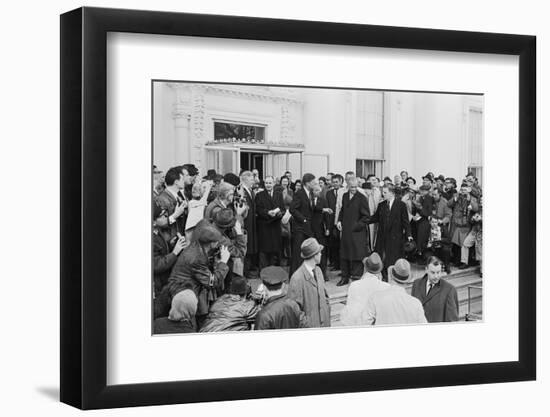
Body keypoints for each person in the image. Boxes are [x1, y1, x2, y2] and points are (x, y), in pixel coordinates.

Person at [159, 226, 231, 324]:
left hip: (182, 288)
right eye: (217, 242)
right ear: (212, 243)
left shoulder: (197, 246)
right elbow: (212, 282)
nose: (219, 244)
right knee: (188, 325)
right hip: (181, 294)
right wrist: (223, 262)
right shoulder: (196, 258)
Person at [368, 184, 413, 280]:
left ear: (392, 193)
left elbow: (406, 222)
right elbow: (374, 218)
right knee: (382, 256)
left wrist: (409, 235)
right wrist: (362, 220)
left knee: (393, 257)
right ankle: (384, 276)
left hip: (395, 237)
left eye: (385, 192)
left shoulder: (401, 205)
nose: (383, 195)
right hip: (382, 237)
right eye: (382, 192)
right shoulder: (381, 205)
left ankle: (392, 276)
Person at [364, 258, 427, 325]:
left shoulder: (375, 298)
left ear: (390, 275)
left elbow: (365, 323)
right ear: (408, 280)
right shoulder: (415, 304)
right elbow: (424, 329)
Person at [288, 238, 331, 328]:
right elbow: (294, 311)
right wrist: (307, 325)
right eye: (319, 252)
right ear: (314, 255)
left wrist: (327, 314)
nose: (321, 254)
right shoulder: (297, 278)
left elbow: (325, 297)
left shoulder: (318, 271)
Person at [340, 252, 390, 326]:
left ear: (365, 268)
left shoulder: (354, 285)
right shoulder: (386, 287)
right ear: (379, 271)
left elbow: (349, 312)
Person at [336, 177, 370, 285]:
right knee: (344, 254)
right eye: (351, 187)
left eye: (355, 187)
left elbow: (366, 217)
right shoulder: (345, 196)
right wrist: (339, 221)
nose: (354, 189)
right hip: (346, 232)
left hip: (357, 233)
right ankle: (344, 277)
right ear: (347, 186)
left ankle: (356, 278)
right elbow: (342, 210)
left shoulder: (362, 198)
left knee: (357, 255)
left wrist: (356, 226)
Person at [152, 203, 187, 296]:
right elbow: (156, 265)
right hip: (158, 285)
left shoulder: (156, 230)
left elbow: (161, 249)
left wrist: (172, 244)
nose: (165, 217)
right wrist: (175, 252)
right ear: (153, 222)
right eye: (161, 216)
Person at [411, 256, 459, 322]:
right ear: (426, 270)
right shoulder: (416, 284)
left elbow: (452, 320)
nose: (436, 276)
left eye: (438, 272)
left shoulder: (449, 290)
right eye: (433, 272)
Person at [254, 266, 304, 330]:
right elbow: (304, 324)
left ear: (264, 287)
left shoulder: (263, 315)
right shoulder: (294, 305)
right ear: (283, 285)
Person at [289, 173, 316, 276]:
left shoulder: (311, 193)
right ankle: (294, 275)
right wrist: (303, 220)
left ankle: (304, 274)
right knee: (297, 253)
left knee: (307, 252)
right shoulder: (299, 193)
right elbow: (292, 209)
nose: (315, 184)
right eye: (313, 182)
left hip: (308, 228)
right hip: (299, 228)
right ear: (308, 183)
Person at [255, 175, 285, 269]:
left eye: (270, 183)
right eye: (266, 183)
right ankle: (263, 271)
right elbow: (258, 209)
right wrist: (267, 213)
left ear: (274, 184)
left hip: (275, 226)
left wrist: (280, 213)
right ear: (264, 184)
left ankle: (273, 270)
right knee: (264, 250)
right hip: (264, 225)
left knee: (274, 249)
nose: (268, 185)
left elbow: (282, 208)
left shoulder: (278, 195)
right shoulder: (259, 195)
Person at [155, 166, 191, 241]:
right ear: (176, 182)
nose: (184, 181)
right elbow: (159, 222)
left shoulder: (177, 196)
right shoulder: (162, 198)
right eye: (182, 179)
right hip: (169, 242)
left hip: (178, 239)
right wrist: (176, 215)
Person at [448, 183, 479, 268]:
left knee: (464, 244)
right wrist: (455, 198)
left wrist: (470, 202)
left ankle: (465, 262)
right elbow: (449, 204)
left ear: (469, 190)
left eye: (465, 190)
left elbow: (476, 208)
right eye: (462, 190)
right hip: (457, 224)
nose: (463, 191)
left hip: (466, 224)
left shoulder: (472, 198)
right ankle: (457, 261)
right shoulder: (457, 197)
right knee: (456, 243)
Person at [239, 170, 258, 277]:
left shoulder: (250, 191)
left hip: (251, 222)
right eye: (251, 179)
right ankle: (245, 272)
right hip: (246, 223)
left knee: (250, 245)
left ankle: (248, 269)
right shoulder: (242, 192)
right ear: (245, 180)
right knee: (245, 246)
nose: (253, 181)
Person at [311, 181, 332, 278]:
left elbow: (326, 216)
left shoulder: (323, 200)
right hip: (310, 229)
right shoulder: (308, 200)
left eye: (319, 190)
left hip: (320, 230)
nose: (317, 192)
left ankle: (323, 273)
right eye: (315, 190)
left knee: (322, 252)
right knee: (312, 252)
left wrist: (327, 228)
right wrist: (323, 209)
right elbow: (313, 209)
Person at [326, 174, 343, 271]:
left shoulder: (344, 192)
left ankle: (341, 264)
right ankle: (335, 264)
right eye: (334, 182)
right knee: (333, 244)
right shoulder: (329, 193)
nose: (335, 184)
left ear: (341, 182)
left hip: (341, 222)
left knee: (341, 244)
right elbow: (328, 209)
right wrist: (328, 226)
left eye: (337, 182)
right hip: (332, 222)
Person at [413, 184, 435, 260]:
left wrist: (419, 207)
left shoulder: (429, 198)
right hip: (420, 220)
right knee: (420, 238)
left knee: (423, 239)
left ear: (427, 191)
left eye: (423, 191)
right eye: (421, 190)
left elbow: (427, 212)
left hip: (425, 221)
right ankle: (420, 254)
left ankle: (423, 256)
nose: (421, 192)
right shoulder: (422, 198)